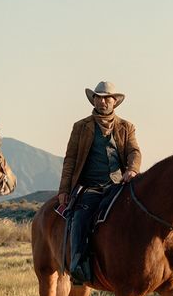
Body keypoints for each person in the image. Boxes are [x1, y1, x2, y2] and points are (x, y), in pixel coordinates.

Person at [58, 81, 141, 284]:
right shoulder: (81, 127)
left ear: (114, 102)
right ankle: (78, 265)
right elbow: (70, 159)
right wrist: (64, 189)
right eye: (98, 97)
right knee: (81, 218)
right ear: (93, 100)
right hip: (91, 187)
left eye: (106, 98)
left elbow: (134, 151)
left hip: (118, 187)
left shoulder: (126, 127)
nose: (102, 101)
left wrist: (132, 169)